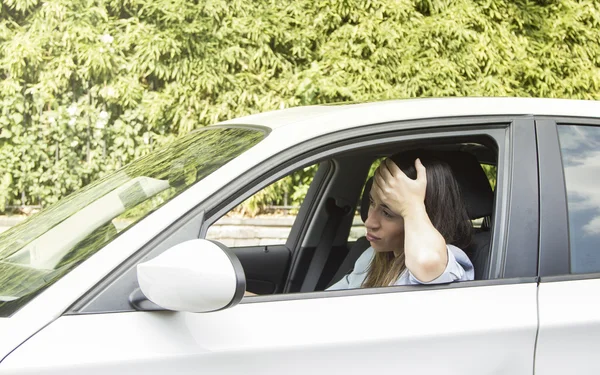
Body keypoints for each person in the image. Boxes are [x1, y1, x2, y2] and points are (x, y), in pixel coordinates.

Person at [327, 150, 474, 290]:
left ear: (425, 215)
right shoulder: (371, 257)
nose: (369, 222)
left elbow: (426, 261)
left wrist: (412, 205)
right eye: (372, 202)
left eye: (387, 213)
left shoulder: (442, 261)